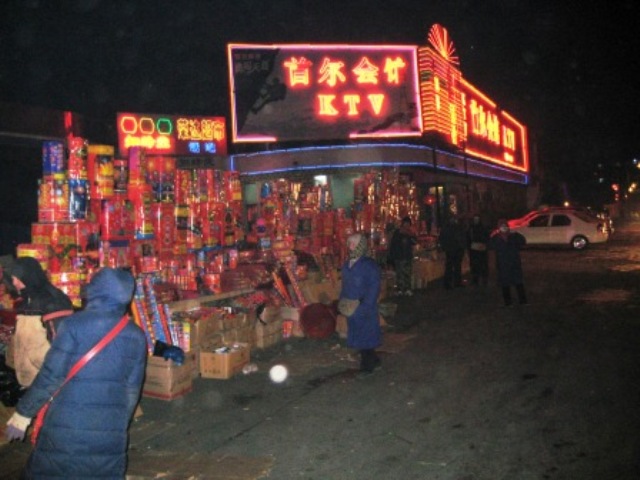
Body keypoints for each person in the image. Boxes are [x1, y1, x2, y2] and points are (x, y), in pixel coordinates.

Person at [5, 267, 147, 478]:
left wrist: (23, 413)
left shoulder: (73, 326)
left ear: (96, 291)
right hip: (109, 430)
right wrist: (117, 423)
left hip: (66, 424)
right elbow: (132, 391)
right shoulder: (136, 335)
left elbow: (51, 376)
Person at [7, 256, 74, 387]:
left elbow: (61, 340)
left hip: (46, 380)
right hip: (31, 378)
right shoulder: (27, 299)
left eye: (16, 277)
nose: (14, 282)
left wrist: (51, 370)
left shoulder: (52, 299)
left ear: (27, 275)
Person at [339, 233, 382, 377]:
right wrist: (342, 300)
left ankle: (367, 366)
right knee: (360, 334)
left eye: (354, 243)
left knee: (366, 336)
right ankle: (373, 360)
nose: (351, 246)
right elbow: (345, 285)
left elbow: (374, 286)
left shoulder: (369, 265)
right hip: (351, 305)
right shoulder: (347, 264)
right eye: (349, 243)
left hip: (364, 305)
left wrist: (367, 305)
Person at [489, 219, 528, 306]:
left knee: (518, 282)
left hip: (514, 263)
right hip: (503, 264)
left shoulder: (514, 236)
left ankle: (523, 301)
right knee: (505, 283)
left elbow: (523, 241)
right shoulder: (496, 238)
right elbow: (490, 245)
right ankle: (508, 302)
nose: (503, 228)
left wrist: (515, 235)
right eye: (501, 226)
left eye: (505, 226)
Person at [388, 216, 417, 296]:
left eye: (408, 224)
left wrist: (410, 235)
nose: (407, 226)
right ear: (402, 224)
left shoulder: (410, 233)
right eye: (405, 223)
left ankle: (407, 288)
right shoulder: (397, 233)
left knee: (407, 273)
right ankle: (400, 289)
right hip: (399, 256)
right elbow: (393, 244)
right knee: (399, 273)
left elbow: (414, 242)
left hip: (407, 256)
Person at [438, 216, 467, 289]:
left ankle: (453, 282)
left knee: (454, 266)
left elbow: (462, 238)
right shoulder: (452, 228)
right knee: (451, 267)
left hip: (454, 249)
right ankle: (451, 283)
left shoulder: (455, 228)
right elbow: (442, 239)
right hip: (452, 249)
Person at [467, 214, 490, 286]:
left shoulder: (482, 228)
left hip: (481, 248)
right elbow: (468, 238)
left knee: (483, 264)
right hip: (474, 249)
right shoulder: (471, 228)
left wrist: (484, 244)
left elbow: (487, 237)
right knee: (475, 265)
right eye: (475, 219)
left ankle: (484, 279)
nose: (476, 221)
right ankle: (475, 279)